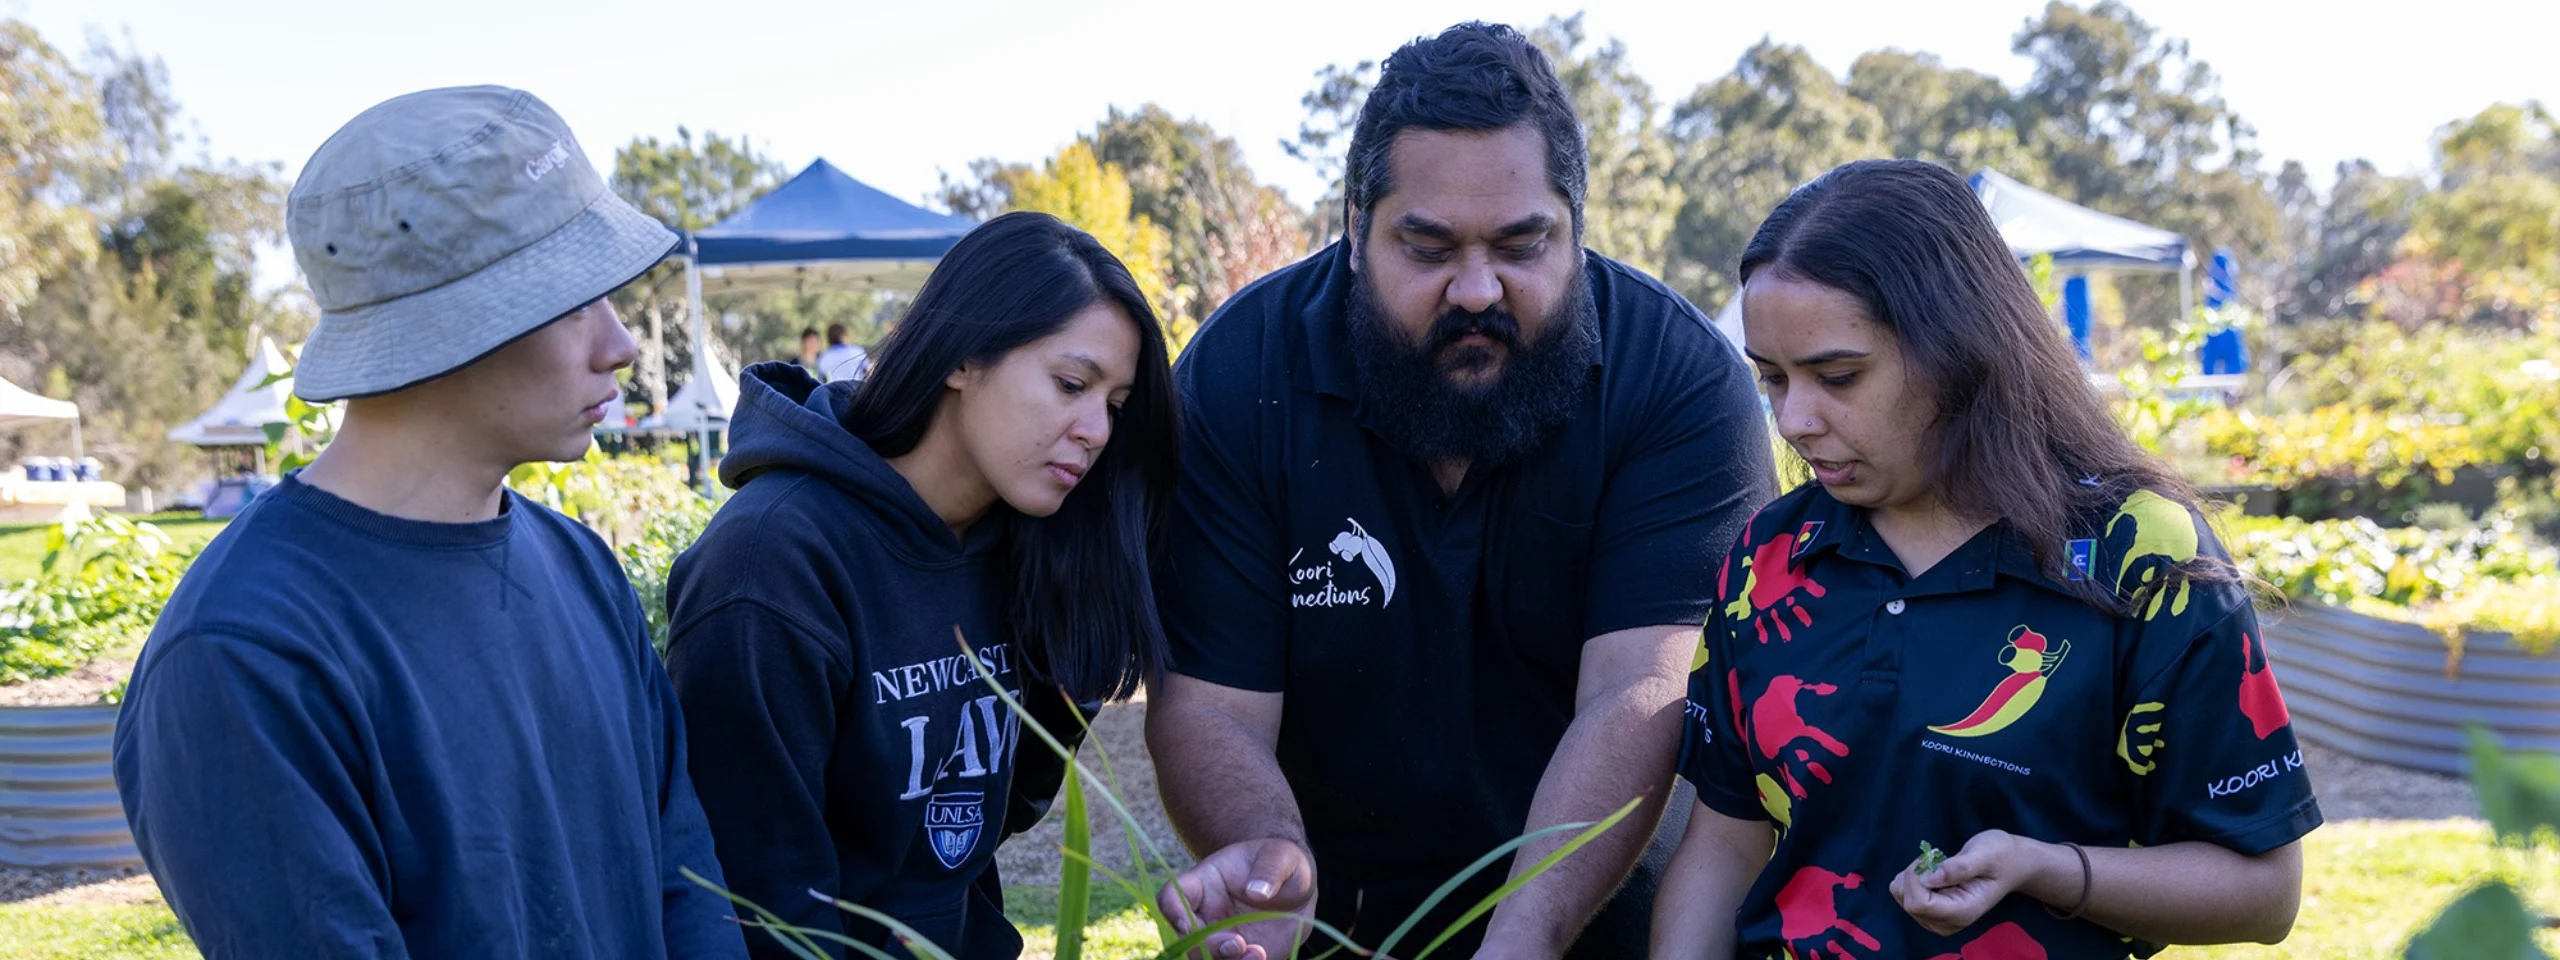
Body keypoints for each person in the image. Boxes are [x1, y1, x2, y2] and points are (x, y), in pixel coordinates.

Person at [1145, 21, 1776, 960]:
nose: (1477, 289)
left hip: (1605, 916)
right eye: (1430, 247)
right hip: (1326, 924)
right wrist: (1268, 863)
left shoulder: (1679, 382)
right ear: (1355, 228)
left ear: (1576, 226)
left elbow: (1639, 688)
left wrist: (1520, 938)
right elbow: (1210, 706)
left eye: (1522, 245)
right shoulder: (1238, 378)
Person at [110, 86, 746, 959]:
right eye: (571, 300)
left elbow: (684, 877)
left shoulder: (576, 566)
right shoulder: (243, 650)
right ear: (444, 326)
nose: (622, 344)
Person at [1653, 159, 2318, 959]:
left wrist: (2046, 869)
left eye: (1837, 376)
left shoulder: (2139, 554)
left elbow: (2264, 892)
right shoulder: (1769, 559)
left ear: (1959, 349)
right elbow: (1725, 843)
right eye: (1772, 379)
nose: (1795, 418)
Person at [665, 210, 1180, 960]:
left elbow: (986, 818)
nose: (1096, 430)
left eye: (1114, 406)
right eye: (1071, 383)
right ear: (961, 357)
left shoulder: (1026, 541)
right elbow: (761, 903)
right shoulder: (771, 562)